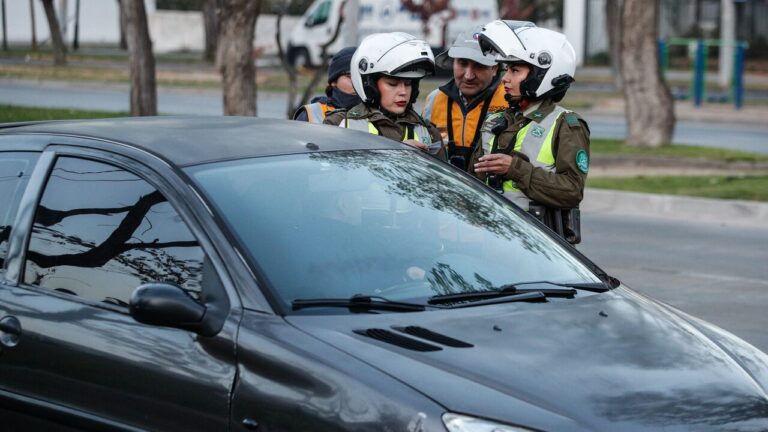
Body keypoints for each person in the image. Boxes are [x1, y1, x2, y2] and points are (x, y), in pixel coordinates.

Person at [471, 20, 590, 244]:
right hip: (489, 240)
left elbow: (572, 191)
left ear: (541, 73)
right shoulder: (494, 122)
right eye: (507, 70)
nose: (505, 78)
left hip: (538, 246)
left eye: (515, 70)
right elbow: (472, 181)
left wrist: (515, 169)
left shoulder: (566, 124)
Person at [324, 32, 444, 159]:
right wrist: (397, 152)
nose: (403, 91)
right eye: (392, 84)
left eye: (408, 84)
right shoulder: (338, 125)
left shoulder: (429, 133)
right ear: (370, 85)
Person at [421, 26, 508, 171]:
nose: (469, 75)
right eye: (462, 63)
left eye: (479, 66)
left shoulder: (510, 100)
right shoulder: (434, 99)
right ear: (452, 62)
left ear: (495, 68)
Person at [293, 47, 362, 123]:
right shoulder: (311, 114)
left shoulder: (374, 114)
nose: (357, 82)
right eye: (350, 76)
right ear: (334, 81)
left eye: (361, 77)